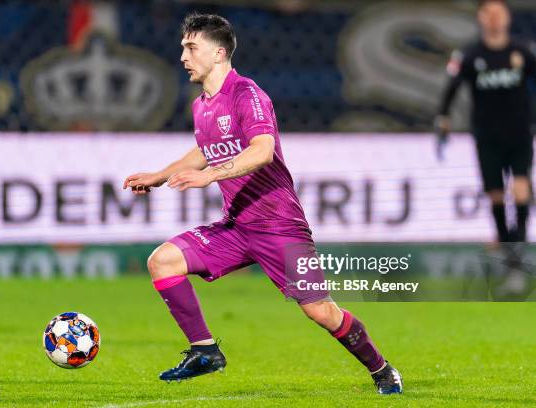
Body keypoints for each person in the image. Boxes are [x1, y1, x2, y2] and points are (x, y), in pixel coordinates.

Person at [124, 12, 402, 394]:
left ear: (219, 53)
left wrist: (209, 176)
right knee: (163, 261)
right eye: (183, 48)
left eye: (192, 48)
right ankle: (205, 351)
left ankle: (381, 368)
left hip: (279, 225)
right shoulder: (201, 105)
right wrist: (159, 175)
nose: (184, 57)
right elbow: (203, 152)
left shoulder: (247, 94)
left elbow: (263, 151)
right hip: (237, 226)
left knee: (321, 312)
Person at [436, 0, 535, 244]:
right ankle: (505, 240)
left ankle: (518, 241)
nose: (493, 18)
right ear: (480, 18)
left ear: (507, 17)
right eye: (488, 13)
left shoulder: (522, 51)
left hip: (519, 131)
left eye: (498, 13)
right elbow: (452, 88)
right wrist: (443, 117)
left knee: (521, 186)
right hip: (487, 134)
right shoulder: (470, 55)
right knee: (495, 193)